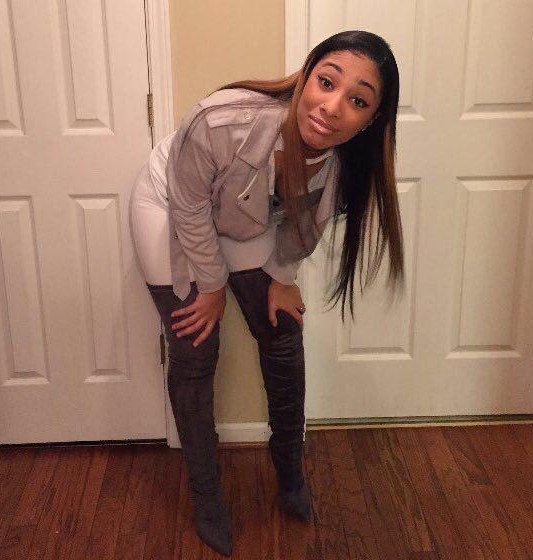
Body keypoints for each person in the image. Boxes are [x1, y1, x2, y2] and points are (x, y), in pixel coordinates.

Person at [129, 30, 405, 557]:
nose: (331, 107)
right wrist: (212, 286)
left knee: (282, 331)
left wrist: (282, 275)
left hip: (243, 211)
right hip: (171, 204)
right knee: (195, 344)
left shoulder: (350, 165)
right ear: (306, 75)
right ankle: (207, 496)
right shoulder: (221, 119)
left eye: (358, 101)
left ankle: (290, 473)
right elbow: (189, 207)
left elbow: (308, 222)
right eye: (327, 82)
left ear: (371, 120)